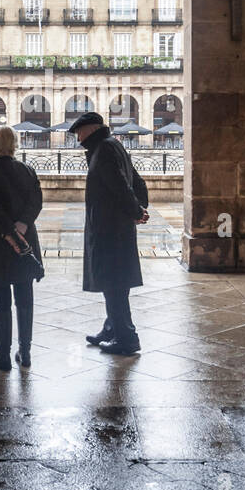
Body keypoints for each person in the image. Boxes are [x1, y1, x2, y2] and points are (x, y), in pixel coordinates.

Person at [69, 111, 150, 355]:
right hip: (116, 227)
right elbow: (137, 181)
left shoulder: (103, 150)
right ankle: (112, 328)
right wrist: (140, 208)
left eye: (80, 133)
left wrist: (136, 210)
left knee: (113, 282)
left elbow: (119, 186)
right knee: (113, 281)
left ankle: (126, 337)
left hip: (109, 229)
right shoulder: (113, 145)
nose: (78, 138)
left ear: (91, 130)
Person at [0, 125, 44, 371]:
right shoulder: (28, 170)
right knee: (25, 297)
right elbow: (37, 202)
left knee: (2, 299)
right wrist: (22, 227)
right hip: (26, 242)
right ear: (15, 143)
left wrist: (9, 233)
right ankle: (25, 352)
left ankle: (2, 354)